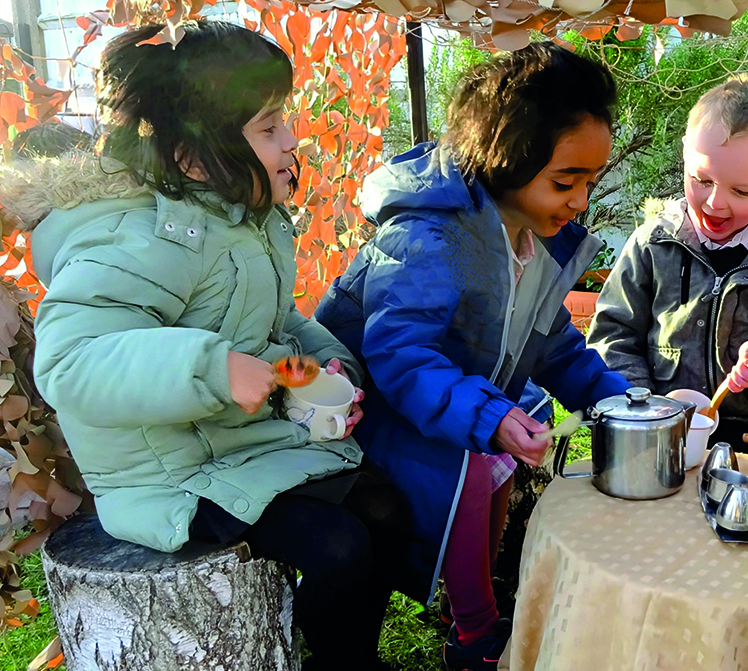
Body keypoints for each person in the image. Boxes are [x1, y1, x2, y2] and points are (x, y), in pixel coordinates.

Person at [3, 22, 402, 671]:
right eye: (268, 126)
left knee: (383, 507)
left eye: (284, 121)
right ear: (192, 153)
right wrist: (209, 366)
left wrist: (328, 367)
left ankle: (331, 645)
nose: (291, 140)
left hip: (231, 441)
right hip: (169, 473)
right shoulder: (139, 241)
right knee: (339, 546)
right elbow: (68, 361)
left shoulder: (238, 221)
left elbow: (275, 323)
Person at [314, 42, 632, 671]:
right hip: (367, 408)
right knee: (471, 470)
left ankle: (477, 604)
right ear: (505, 159)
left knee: (496, 463)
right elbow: (399, 353)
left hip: (447, 397)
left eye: (589, 183)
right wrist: (485, 417)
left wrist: (613, 395)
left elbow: (551, 341)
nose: (578, 202)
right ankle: (475, 634)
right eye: (564, 181)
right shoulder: (430, 238)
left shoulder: (535, 237)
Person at [587, 74, 748, 451]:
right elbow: (614, 332)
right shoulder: (653, 243)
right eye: (701, 179)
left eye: (741, 191)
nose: (714, 203)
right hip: (658, 432)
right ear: (684, 153)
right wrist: (639, 408)